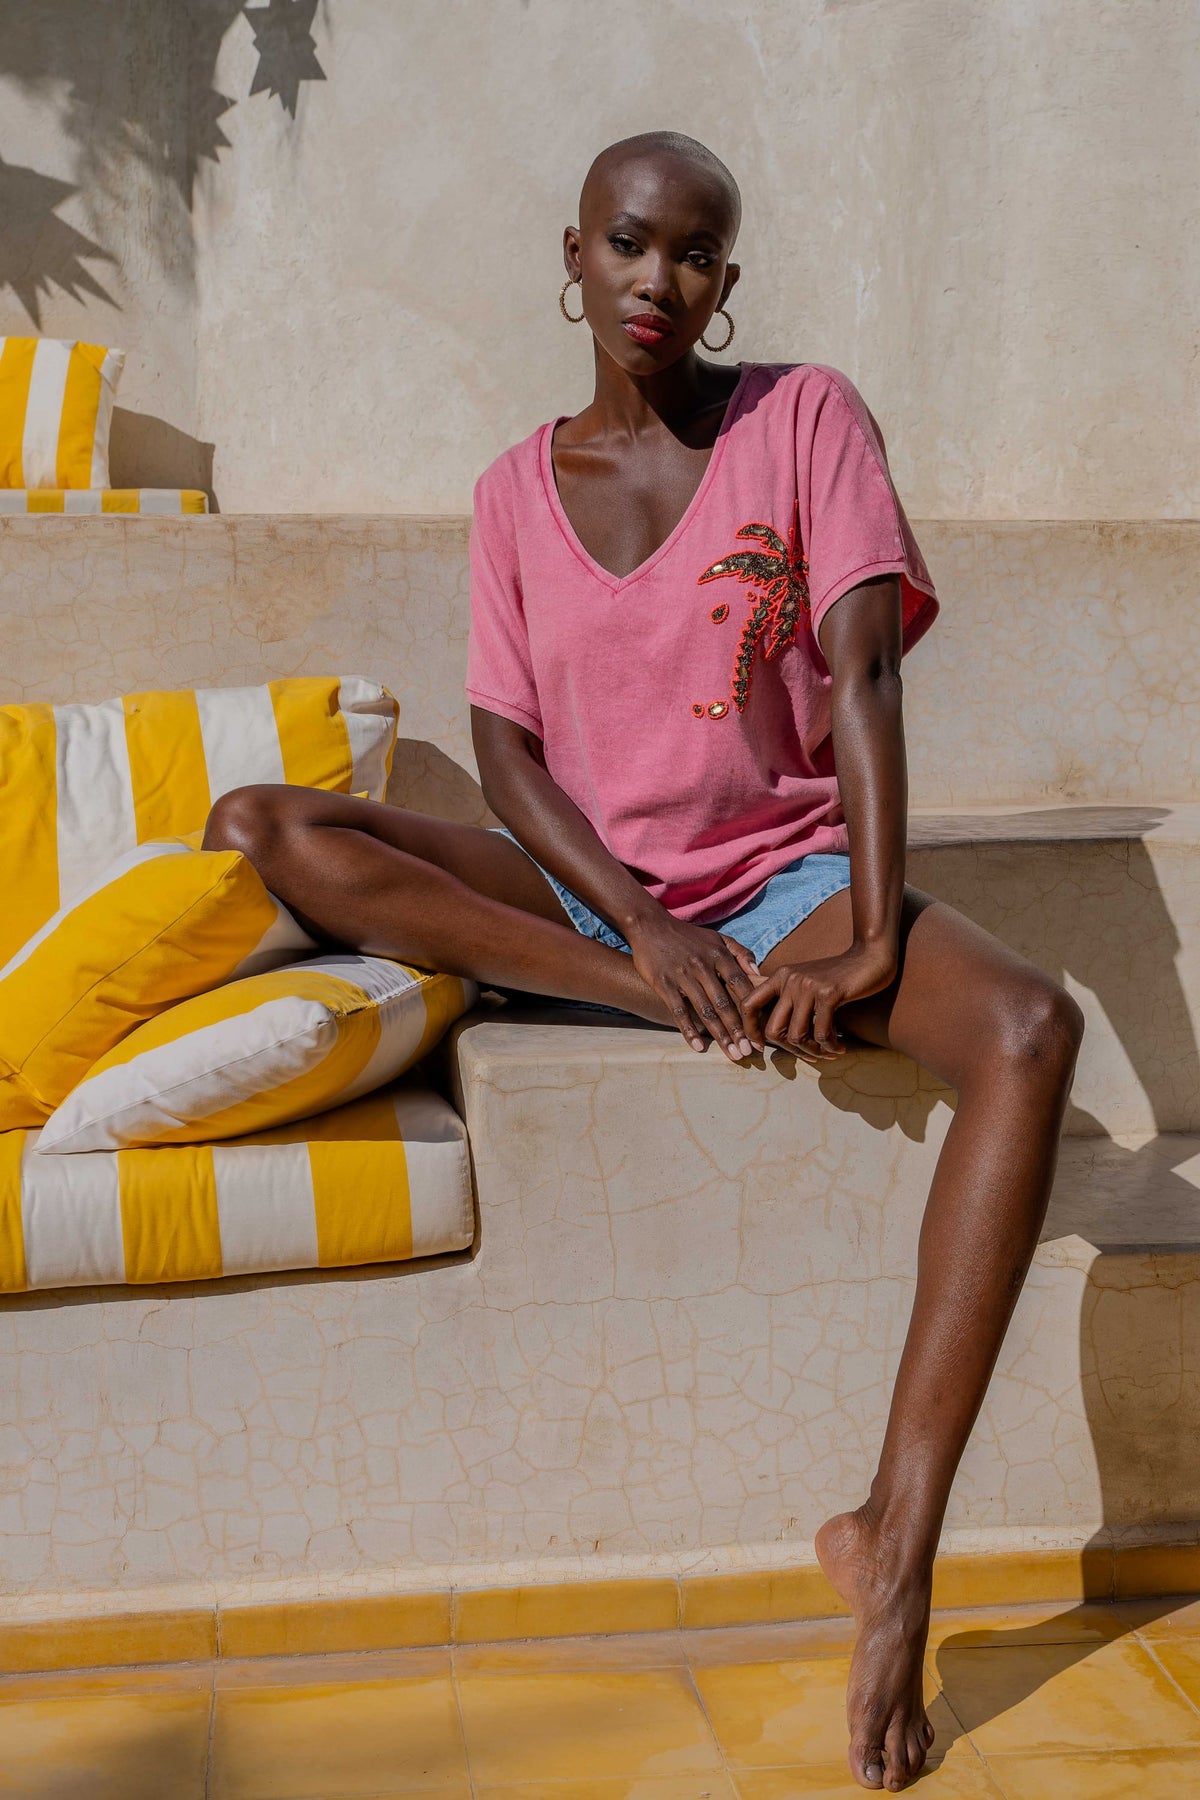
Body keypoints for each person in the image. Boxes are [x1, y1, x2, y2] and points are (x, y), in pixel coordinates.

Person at [204, 130, 1084, 1793]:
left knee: (1033, 1026)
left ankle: (895, 1547)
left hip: (784, 884)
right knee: (268, 824)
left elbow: (863, 678)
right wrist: (642, 934)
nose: (655, 280)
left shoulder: (804, 419)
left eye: (692, 253)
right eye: (626, 244)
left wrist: (869, 929)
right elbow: (505, 749)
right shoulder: (510, 492)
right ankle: (636, 994)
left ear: (727, 278)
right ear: (574, 255)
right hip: (594, 897)